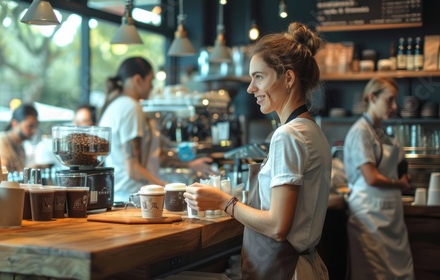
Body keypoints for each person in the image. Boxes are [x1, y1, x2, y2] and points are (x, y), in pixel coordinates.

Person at [184, 22, 331, 279]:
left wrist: (223, 201)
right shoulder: (312, 130)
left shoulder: (289, 135)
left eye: (259, 77)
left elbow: (277, 226)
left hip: (286, 270)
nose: (251, 88)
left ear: (288, 78)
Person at [98, 57, 215, 203]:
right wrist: (165, 187)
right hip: (134, 197)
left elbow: (154, 156)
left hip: (123, 195)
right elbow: (133, 169)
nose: (151, 87)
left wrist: (189, 164)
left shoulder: (116, 106)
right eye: (150, 81)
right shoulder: (130, 107)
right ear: (137, 80)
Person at [343, 77, 414, 279]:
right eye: (389, 100)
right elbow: (371, 178)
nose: (394, 106)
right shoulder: (360, 132)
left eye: (395, 101)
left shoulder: (381, 131)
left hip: (389, 216)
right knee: (374, 273)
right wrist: (398, 184)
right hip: (369, 217)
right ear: (372, 97)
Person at [0, 103, 39, 173]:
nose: (34, 131)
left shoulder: (21, 147)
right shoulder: (1, 141)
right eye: (30, 126)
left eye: (35, 126)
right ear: (14, 123)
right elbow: (1, 174)